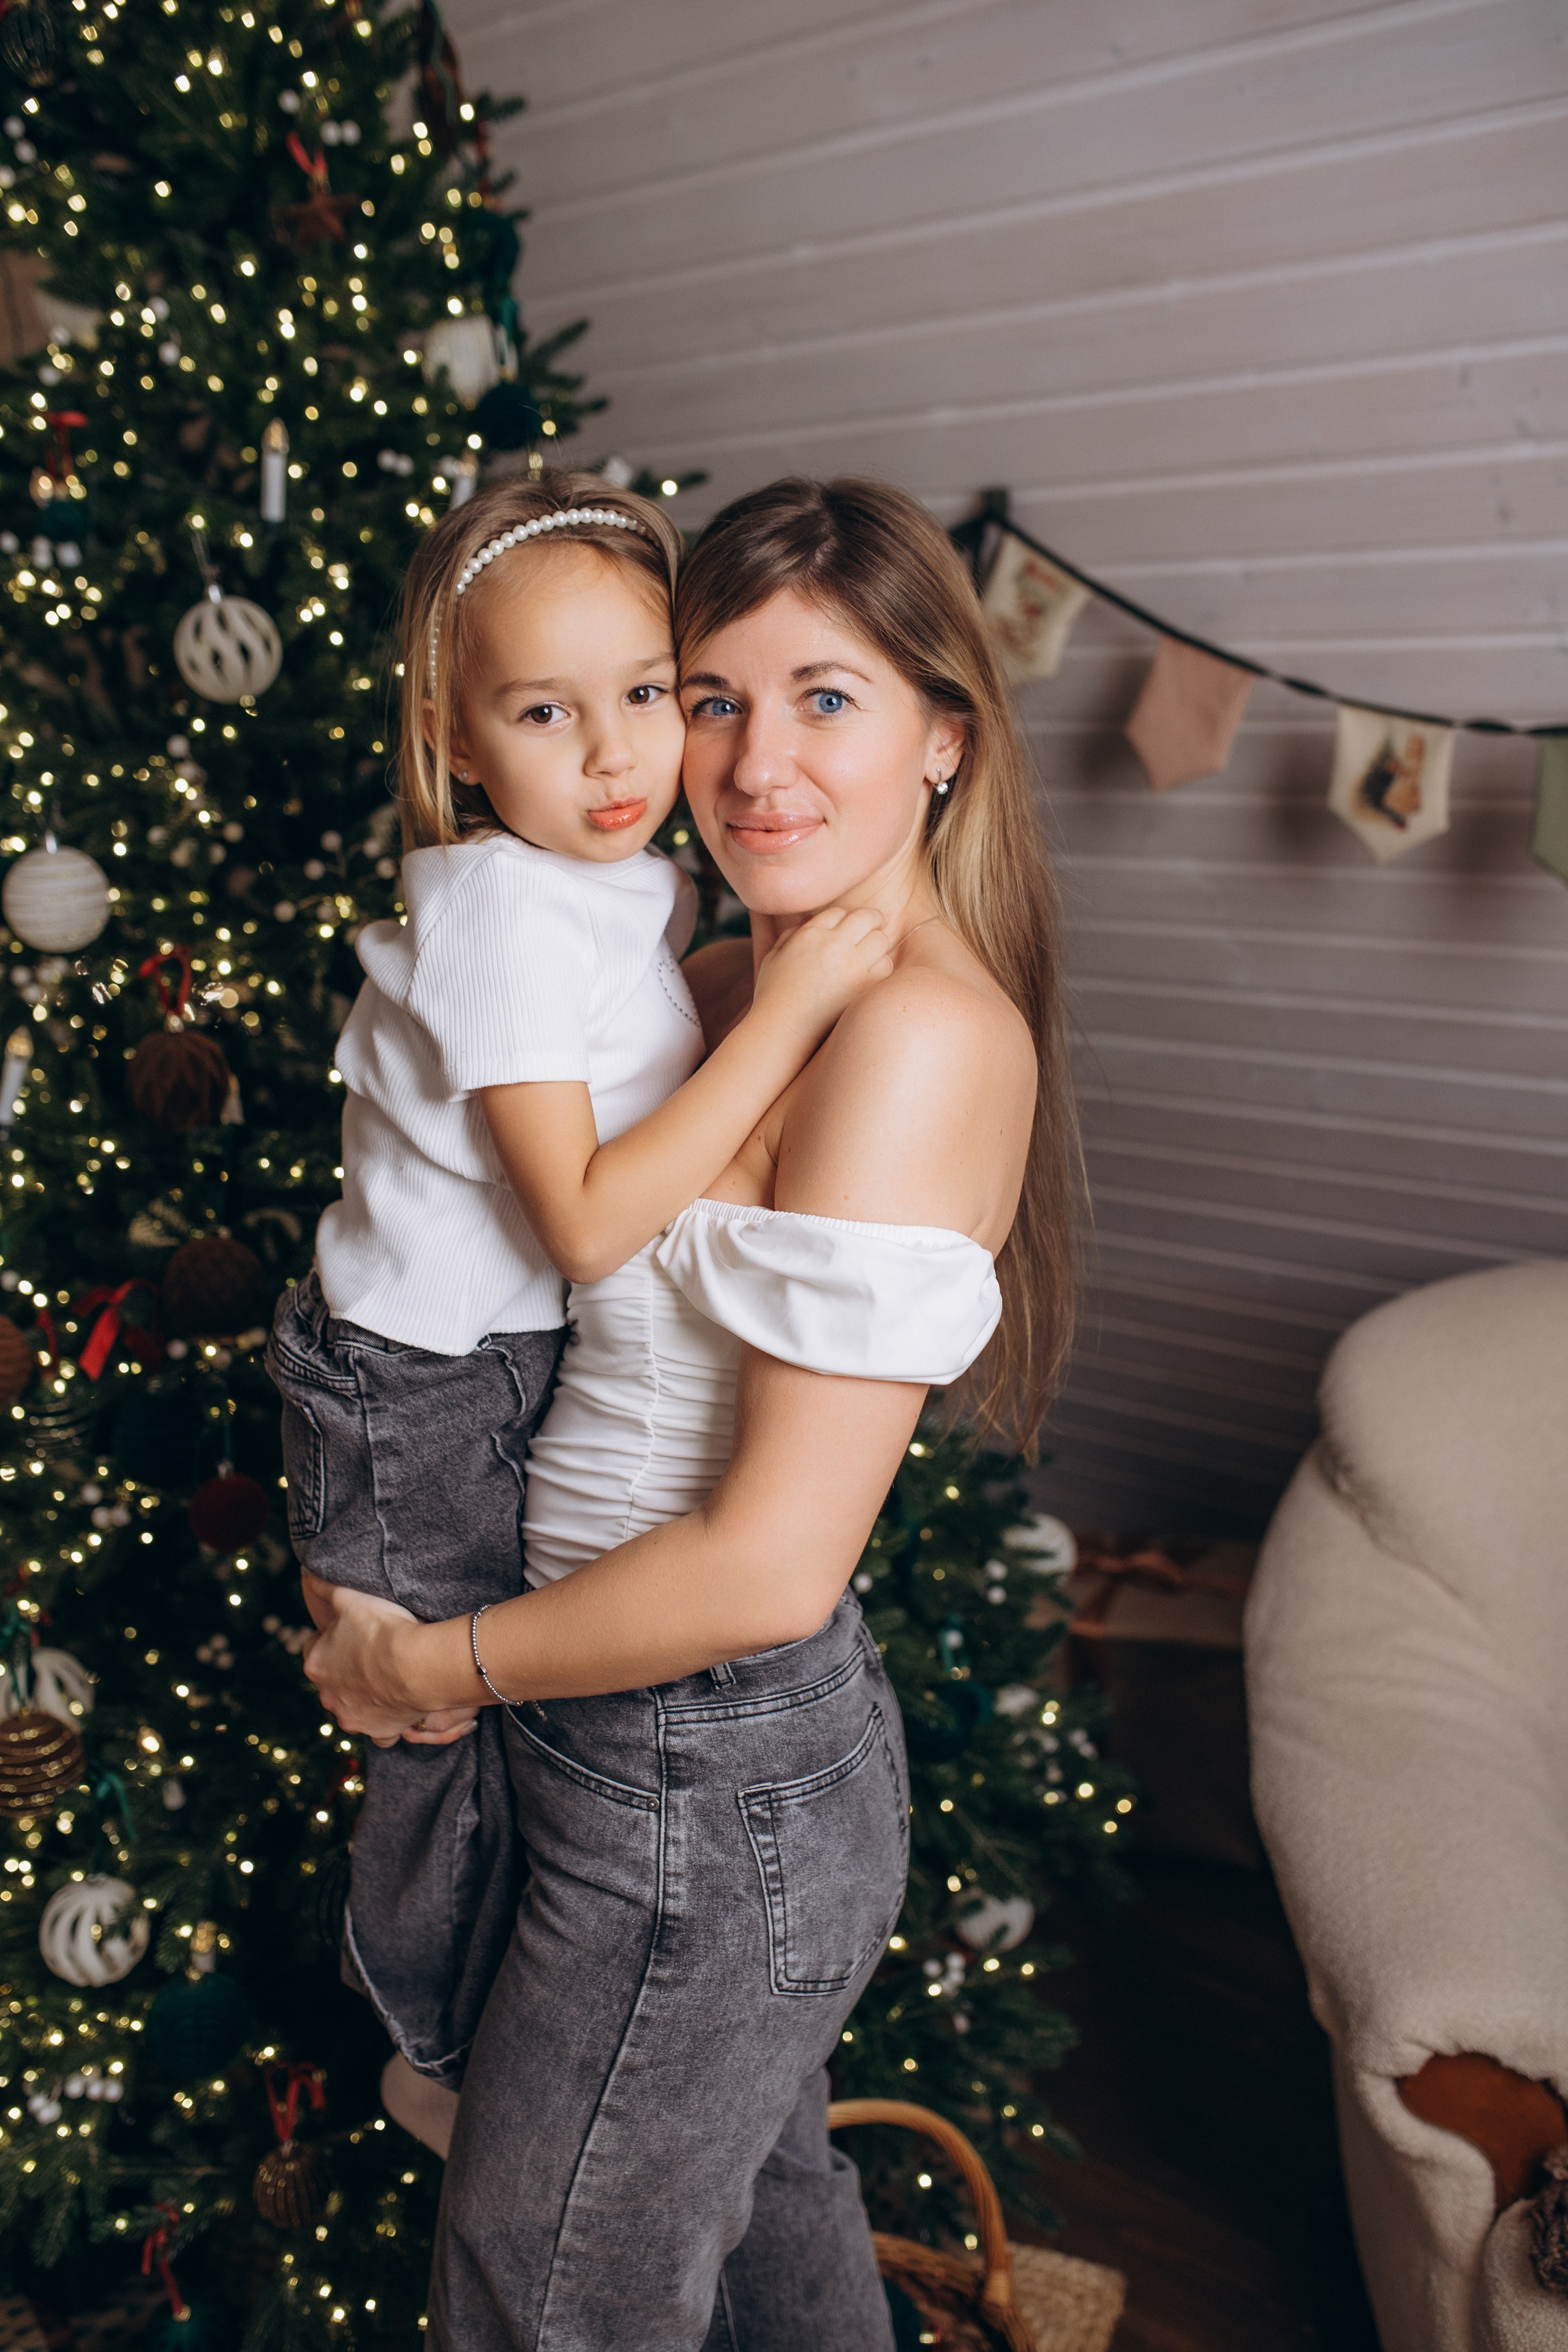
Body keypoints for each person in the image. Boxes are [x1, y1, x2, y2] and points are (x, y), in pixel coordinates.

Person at [301, 477, 1080, 2352]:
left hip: (706, 1771)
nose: (746, 761)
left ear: (944, 736)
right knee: (755, 2227)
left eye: (826, 697)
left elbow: (768, 1565)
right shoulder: (725, 979)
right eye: (711, 696)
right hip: (619, 1736)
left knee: (544, 2292)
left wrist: (441, 1670)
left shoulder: (910, 1036)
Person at [267, 470, 891, 2095]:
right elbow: (593, 1223)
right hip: (413, 1374)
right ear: (458, 738)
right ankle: (436, 2045)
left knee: (468, 1696)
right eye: (548, 711)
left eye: (646, 696)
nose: (617, 755)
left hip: (492, 1355)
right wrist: (789, 1012)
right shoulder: (501, 913)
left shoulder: (617, 882)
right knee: (429, 1718)